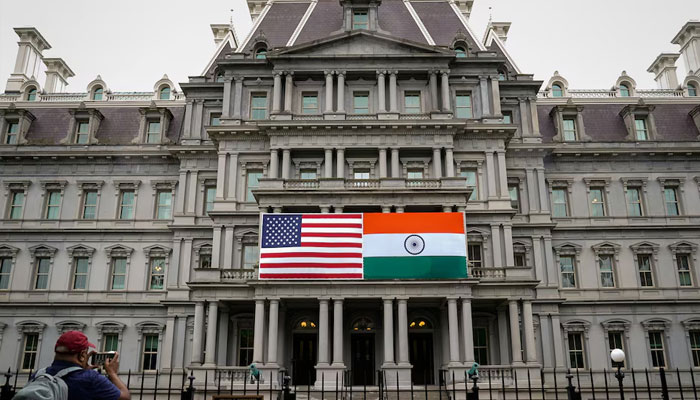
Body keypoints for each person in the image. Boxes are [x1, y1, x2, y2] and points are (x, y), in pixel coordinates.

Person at [44, 330, 130, 400]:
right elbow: (125, 397)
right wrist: (112, 373)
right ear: (82, 355)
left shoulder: (39, 374)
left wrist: (81, 368)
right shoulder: (91, 378)